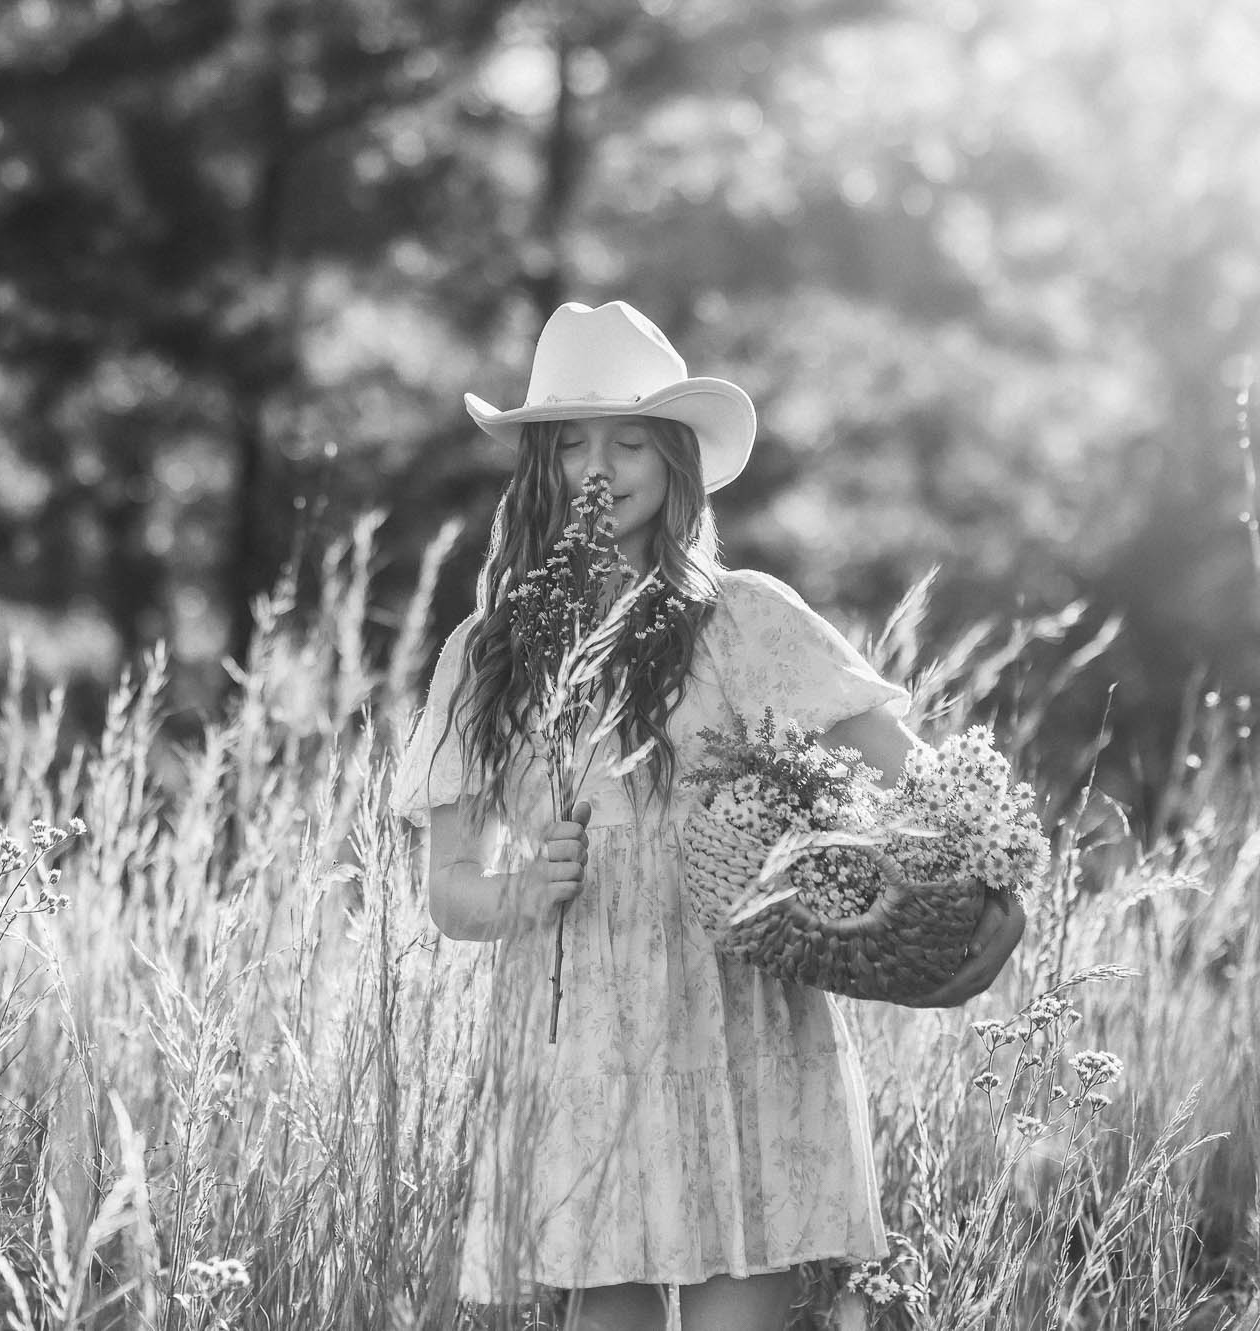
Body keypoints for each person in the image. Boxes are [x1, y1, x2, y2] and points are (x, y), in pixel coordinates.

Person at [388, 300, 1027, 1331]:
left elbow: (907, 767)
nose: (601, 464)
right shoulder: (487, 652)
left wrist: (987, 850)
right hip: (580, 1038)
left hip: (739, 1023)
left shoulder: (743, 617)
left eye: (630, 438)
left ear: (674, 458)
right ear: (540, 466)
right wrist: (520, 889)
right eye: (572, 442)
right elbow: (449, 896)